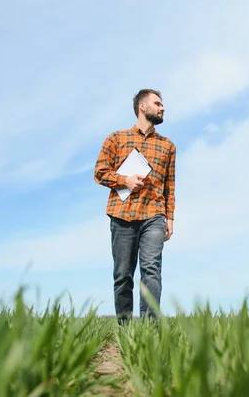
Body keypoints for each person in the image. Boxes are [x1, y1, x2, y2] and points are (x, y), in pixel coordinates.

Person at [94, 88, 176, 325]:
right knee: (123, 276)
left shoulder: (167, 146)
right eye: (157, 103)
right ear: (142, 106)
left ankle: (150, 333)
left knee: (151, 271)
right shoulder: (116, 139)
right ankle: (126, 330)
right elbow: (99, 172)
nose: (162, 107)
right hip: (122, 215)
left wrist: (169, 218)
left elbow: (169, 185)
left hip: (154, 216)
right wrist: (124, 180)